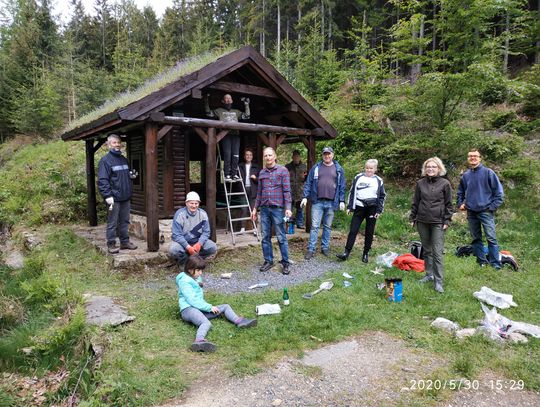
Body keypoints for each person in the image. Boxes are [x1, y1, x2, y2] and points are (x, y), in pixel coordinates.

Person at [177, 255, 257, 352]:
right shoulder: (184, 281)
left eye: (201, 270)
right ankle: (199, 341)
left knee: (225, 307)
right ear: (190, 269)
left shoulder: (194, 277)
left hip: (198, 308)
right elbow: (192, 300)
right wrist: (209, 307)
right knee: (205, 323)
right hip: (188, 309)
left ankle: (240, 322)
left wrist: (199, 284)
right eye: (198, 270)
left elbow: (198, 288)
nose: (200, 273)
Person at [410, 157, 453, 293]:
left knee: (437, 251)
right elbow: (416, 202)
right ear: (425, 169)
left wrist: (447, 220)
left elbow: (449, 205)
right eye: (428, 167)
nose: (431, 169)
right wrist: (413, 217)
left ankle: (438, 281)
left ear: (439, 169)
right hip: (422, 221)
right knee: (427, 250)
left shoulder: (445, 183)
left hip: (437, 222)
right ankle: (429, 275)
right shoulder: (420, 183)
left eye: (434, 167)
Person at [456, 149, 504, 269]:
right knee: (476, 238)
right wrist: (460, 203)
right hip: (471, 212)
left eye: (475, 156)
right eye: (470, 156)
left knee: (491, 238)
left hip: (486, 211)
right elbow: (460, 192)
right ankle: (482, 262)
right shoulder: (466, 175)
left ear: (480, 158)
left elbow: (499, 193)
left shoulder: (488, 173)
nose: (473, 158)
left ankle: (495, 264)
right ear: (468, 158)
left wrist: (491, 207)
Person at [251, 147, 292, 274]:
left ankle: (285, 262)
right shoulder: (262, 173)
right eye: (266, 156)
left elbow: (287, 191)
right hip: (264, 209)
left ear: (274, 156)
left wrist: (288, 208)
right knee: (265, 236)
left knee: (281, 237)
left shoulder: (283, 171)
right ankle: (268, 260)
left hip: (278, 210)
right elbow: (259, 192)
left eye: (270, 155)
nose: (268, 158)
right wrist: (254, 209)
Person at [337, 159, 386, 263]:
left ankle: (365, 253)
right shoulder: (358, 177)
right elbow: (352, 192)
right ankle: (346, 252)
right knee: (353, 230)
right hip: (359, 208)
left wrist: (379, 210)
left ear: (375, 169)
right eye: (367, 167)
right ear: (365, 168)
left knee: (369, 232)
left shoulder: (378, 180)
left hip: (372, 209)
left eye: (371, 168)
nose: (369, 170)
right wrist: (350, 207)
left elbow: (382, 196)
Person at [301, 147, 346, 260]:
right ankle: (311, 249)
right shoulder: (316, 168)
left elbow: (342, 186)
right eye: (325, 154)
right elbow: (308, 182)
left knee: (327, 226)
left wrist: (341, 200)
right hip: (317, 202)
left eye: (329, 154)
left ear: (332, 155)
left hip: (332, 202)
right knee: (315, 226)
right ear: (322, 155)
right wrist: (305, 197)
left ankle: (324, 247)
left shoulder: (338, 169)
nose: (327, 156)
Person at [97, 134, 138, 254]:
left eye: (118, 142)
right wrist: (107, 195)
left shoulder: (123, 159)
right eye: (114, 143)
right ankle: (111, 244)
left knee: (124, 221)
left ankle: (125, 243)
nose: (117, 145)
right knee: (112, 223)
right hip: (113, 198)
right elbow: (102, 180)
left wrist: (131, 175)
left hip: (125, 197)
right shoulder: (105, 161)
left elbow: (126, 175)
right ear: (108, 144)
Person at [205, 93, 250, 182]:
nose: (228, 100)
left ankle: (234, 174)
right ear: (223, 101)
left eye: (230, 98)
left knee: (236, 155)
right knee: (227, 154)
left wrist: (246, 104)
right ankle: (227, 174)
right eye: (226, 98)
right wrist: (206, 100)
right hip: (225, 135)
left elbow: (247, 116)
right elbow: (208, 113)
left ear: (232, 101)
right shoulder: (219, 111)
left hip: (236, 135)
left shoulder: (236, 111)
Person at [169, 191, 217, 265]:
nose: (194, 206)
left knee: (212, 247)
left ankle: (196, 261)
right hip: (182, 243)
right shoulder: (179, 214)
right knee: (174, 250)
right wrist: (188, 247)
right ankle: (185, 263)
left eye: (196, 203)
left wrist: (199, 244)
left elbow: (206, 232)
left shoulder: (203, 214)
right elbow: (176, 235)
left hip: (196, 242)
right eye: (191, 203)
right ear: (186, 203)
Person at [238, 148, 260, 232]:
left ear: (252, 156)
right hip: (243, 189)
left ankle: (254, 228)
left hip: (253, 190)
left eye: (250, 155)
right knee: (243, 209)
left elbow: (260, 179)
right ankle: (242, 228)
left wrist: (255, 178)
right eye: (247, 155)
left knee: (253, 209)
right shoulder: (240, 166)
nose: (248, 156)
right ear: (244, 156)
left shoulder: (256, 166)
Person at [285, 150, 307, 229]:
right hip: (289, 191)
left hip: (300, 191)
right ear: (292, 157)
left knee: (300, 209)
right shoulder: (287, 167)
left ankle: (300, 223)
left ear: (299, 157)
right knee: (288, 209)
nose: (296, 158)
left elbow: (306, 179)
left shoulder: (304, 167)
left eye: (297, 156)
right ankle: (287, 225)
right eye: (294, 156)